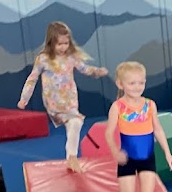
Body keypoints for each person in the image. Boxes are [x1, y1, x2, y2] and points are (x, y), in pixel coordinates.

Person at [17, 21, 108, 173]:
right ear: (51, 42)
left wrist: (97, 72)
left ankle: (71, 157)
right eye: (59, 44)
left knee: (75, 123)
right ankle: (72, 157)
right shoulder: (44, 59)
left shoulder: (71, 57)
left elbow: (84, 69)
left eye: (66, 43)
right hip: (54, 102)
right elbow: (32, 79)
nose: (63, 47)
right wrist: (24, 99)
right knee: (75, 121)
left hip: (70, 100)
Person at [104, 61, 172, 192]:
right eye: (132, 83)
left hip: (147, 158)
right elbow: (108, 133)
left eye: (141, 83)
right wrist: (115, 152)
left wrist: (167, 152)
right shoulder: (118, 107)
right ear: (120, 84)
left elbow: (158, 129)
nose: (137, 87)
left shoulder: (150, 105)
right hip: (127, 159)